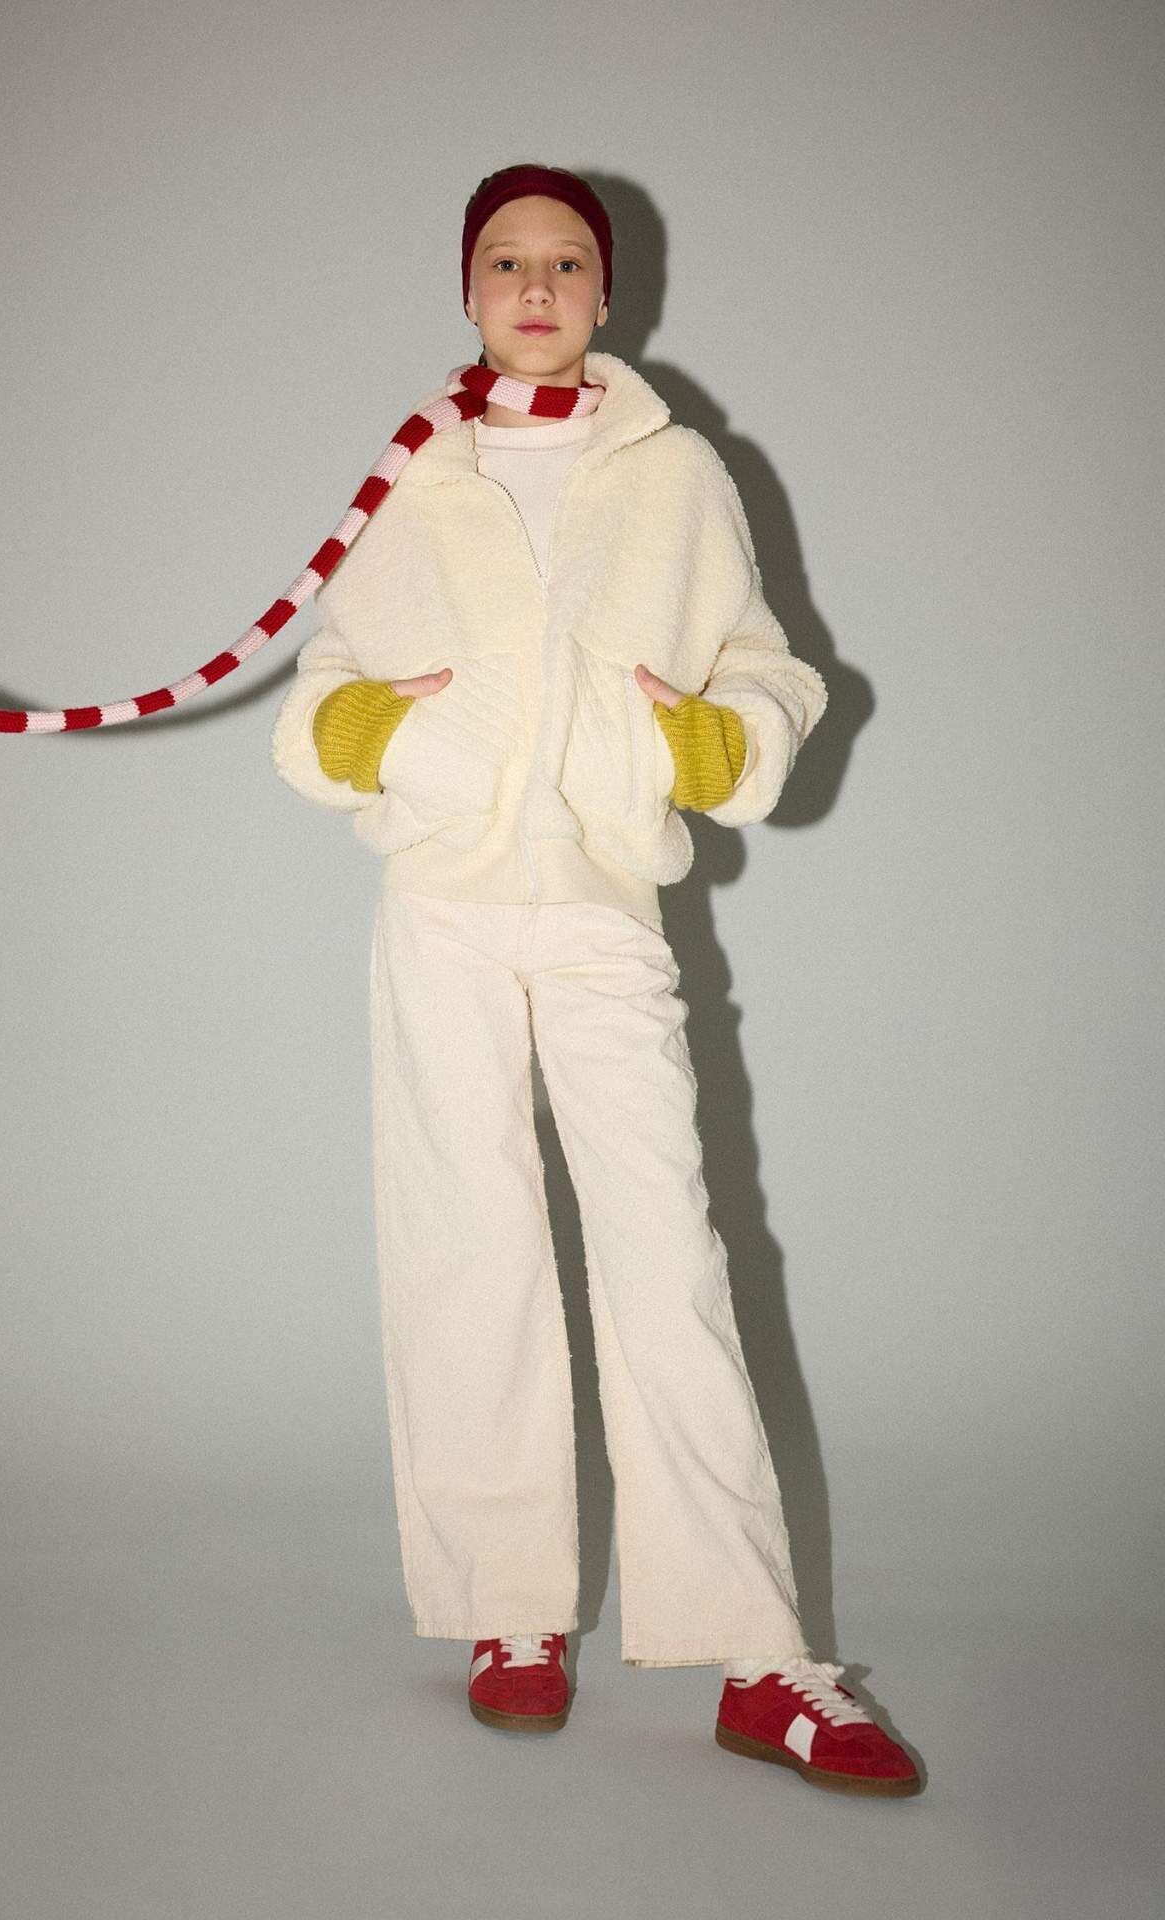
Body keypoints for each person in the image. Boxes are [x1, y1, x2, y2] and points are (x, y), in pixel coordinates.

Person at [271, 163, 921, 1796]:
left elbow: (770, 670)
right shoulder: (410, 472)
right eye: (507, 261)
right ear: (469, 290)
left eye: (567, 262)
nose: (538, 287)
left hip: (603, 905)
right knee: (465, 1246)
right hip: (441, 903)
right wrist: (375, 729)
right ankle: (512, 1612)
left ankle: (763, 1657)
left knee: (668, 1257)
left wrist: (706, 743)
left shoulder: (680, 472)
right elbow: (322, 682)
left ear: (608, 294)